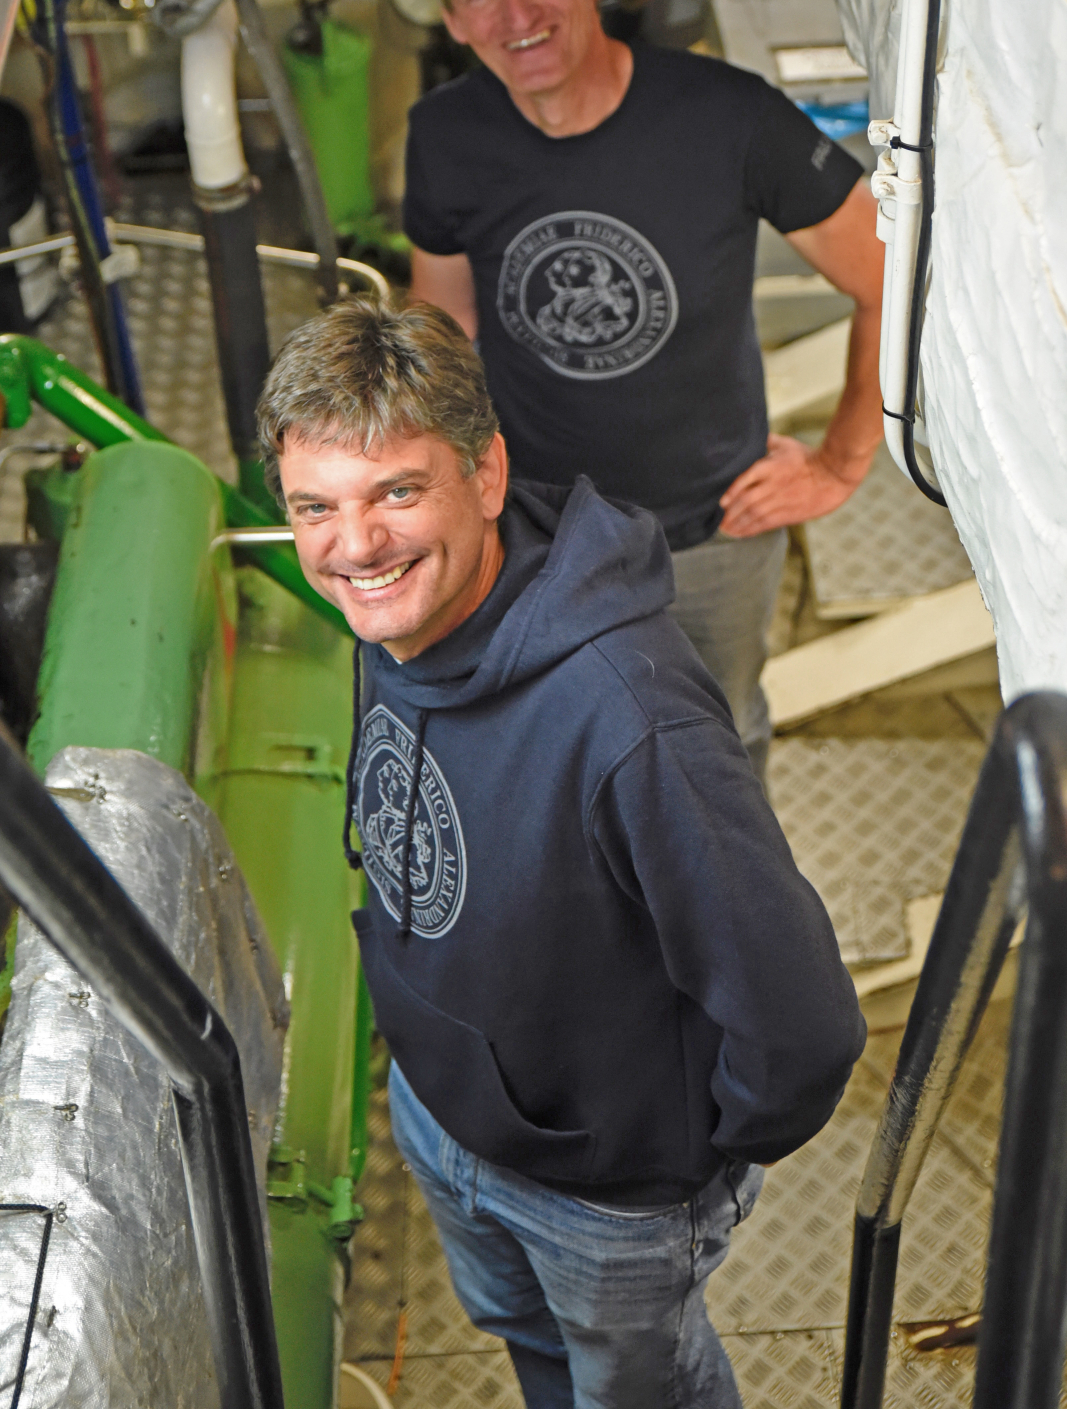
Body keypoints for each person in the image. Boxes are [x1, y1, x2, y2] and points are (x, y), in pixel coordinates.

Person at [257, 299, 866, 1409]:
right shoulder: (392, 613)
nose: (356, 544)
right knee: (528, 1344)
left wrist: (671, 1162)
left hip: (606, 1194)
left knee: (640, 1392)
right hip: (445, 1114)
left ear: (487, 474)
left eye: (397, 491)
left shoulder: (628, 714)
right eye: (317, 506)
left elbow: (803, 1025)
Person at [403, 0, 886, 783]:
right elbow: (444, 331)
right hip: (535, 533)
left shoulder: (728, 116)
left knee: (717, 746)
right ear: (454, 19)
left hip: (711, 533)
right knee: (557, 745)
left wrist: (840, 461)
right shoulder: (445, 136)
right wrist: (443, 502)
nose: (516, 16)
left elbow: (886, 276)